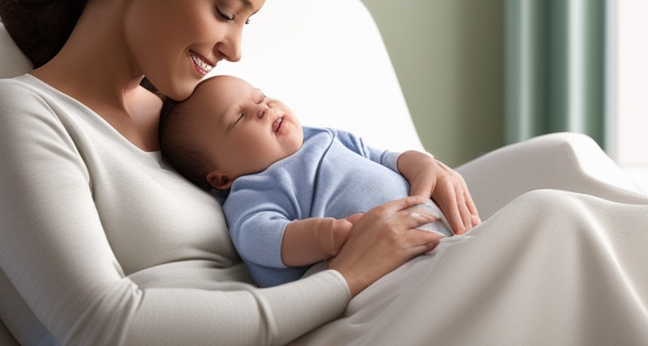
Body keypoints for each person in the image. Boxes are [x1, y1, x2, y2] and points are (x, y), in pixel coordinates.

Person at [0, 0, 648, 346]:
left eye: (247, 22)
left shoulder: (186, 108)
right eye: (225, 11)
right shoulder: (13, 117)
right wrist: (348, 275)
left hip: (338, 312)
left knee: (572, 172)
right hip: (310, 326)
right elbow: (104, 334)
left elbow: (320, 163)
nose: (233, 51)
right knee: (553, 226)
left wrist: (417, 166)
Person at [159, 74, 464, 287]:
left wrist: (421, 162)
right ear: (222, 177)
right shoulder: (253, 190)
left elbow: (382, 156)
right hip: (384, 274)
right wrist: (327, 236)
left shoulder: (321, 136)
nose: (263, 108)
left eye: (261, 97)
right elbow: (258, 237)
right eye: (240, 117)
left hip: (445, 237)